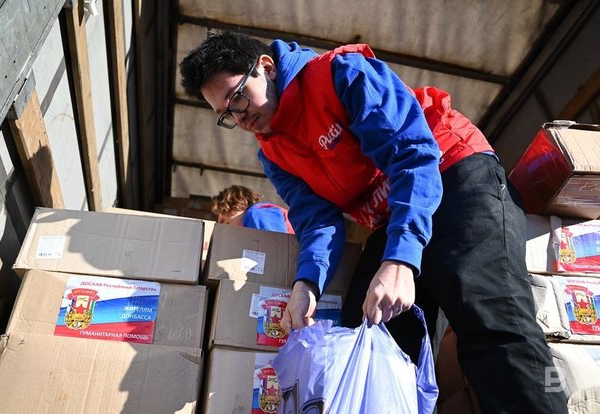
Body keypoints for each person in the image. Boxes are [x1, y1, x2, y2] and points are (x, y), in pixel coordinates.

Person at [180, 32, 567, 413]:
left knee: (489, 319)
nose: (240, 117)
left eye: (238, 97)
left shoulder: (340, 74)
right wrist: (307, 283)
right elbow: (316, 220)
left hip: (453, 174)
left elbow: (412, 154)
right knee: (366, 332)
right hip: (393, 215)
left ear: (266, 67)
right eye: (226, 115)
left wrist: (400, 259)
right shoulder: (273, 153)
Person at [211, 184, 294, 234]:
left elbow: (275, 246)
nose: (219, 220)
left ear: (240, 201)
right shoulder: (252, 220)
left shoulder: (257, 214)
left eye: (224, 210)